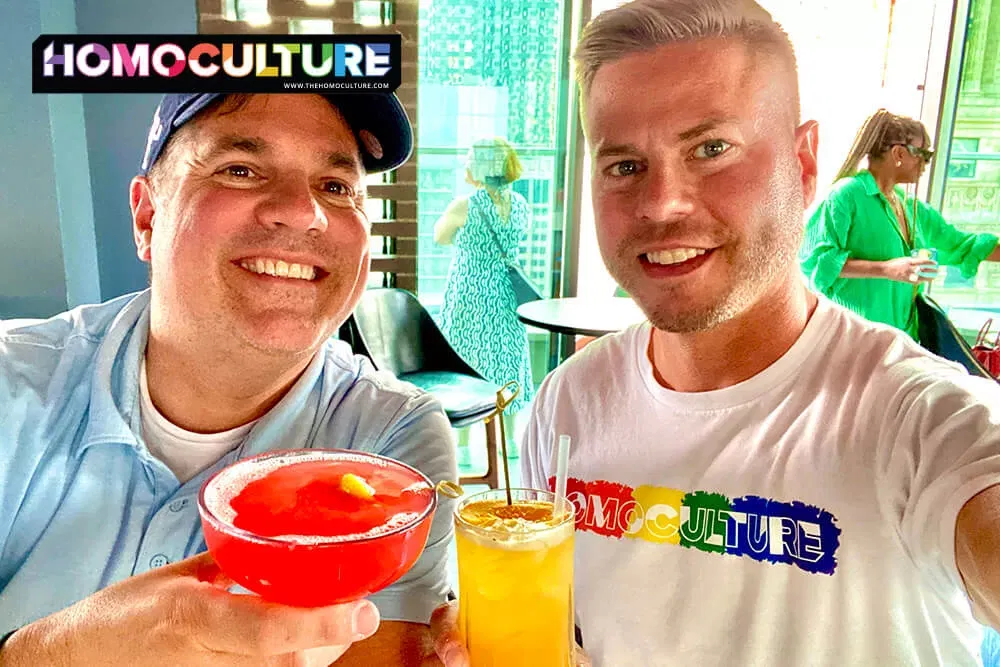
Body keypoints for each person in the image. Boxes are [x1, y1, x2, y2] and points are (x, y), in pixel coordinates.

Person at [430, 0, 1000, 665]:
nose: (663, 202)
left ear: (804, 162)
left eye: (711, 148)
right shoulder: (568, 403)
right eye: (623, 166)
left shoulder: (914, 416)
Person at [0, 93, 457, 666]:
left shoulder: (396, 446)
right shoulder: (12, 383)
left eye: (336, 187)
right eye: (239, 170)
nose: (301, 210)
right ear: (147, 217)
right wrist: (46, 657)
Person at [801, 109, 1000, 340]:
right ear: (898, 153)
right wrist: (887, 269)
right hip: (853, 342)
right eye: (924, 154)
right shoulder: (847, 195)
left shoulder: (912, 209)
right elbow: (813, 262)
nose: (926, 163)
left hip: (901, 343)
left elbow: (963, 245)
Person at [433, 137, 535, 459]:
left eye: (470, 157)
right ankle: (509, 443)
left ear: (482, 166)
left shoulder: (465, 205)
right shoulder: (520, 204)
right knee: (508, 360)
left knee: (465, 359)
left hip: (470, 292)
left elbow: (440, 237)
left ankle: (462, 446)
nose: (466, 161)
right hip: (506, 292)